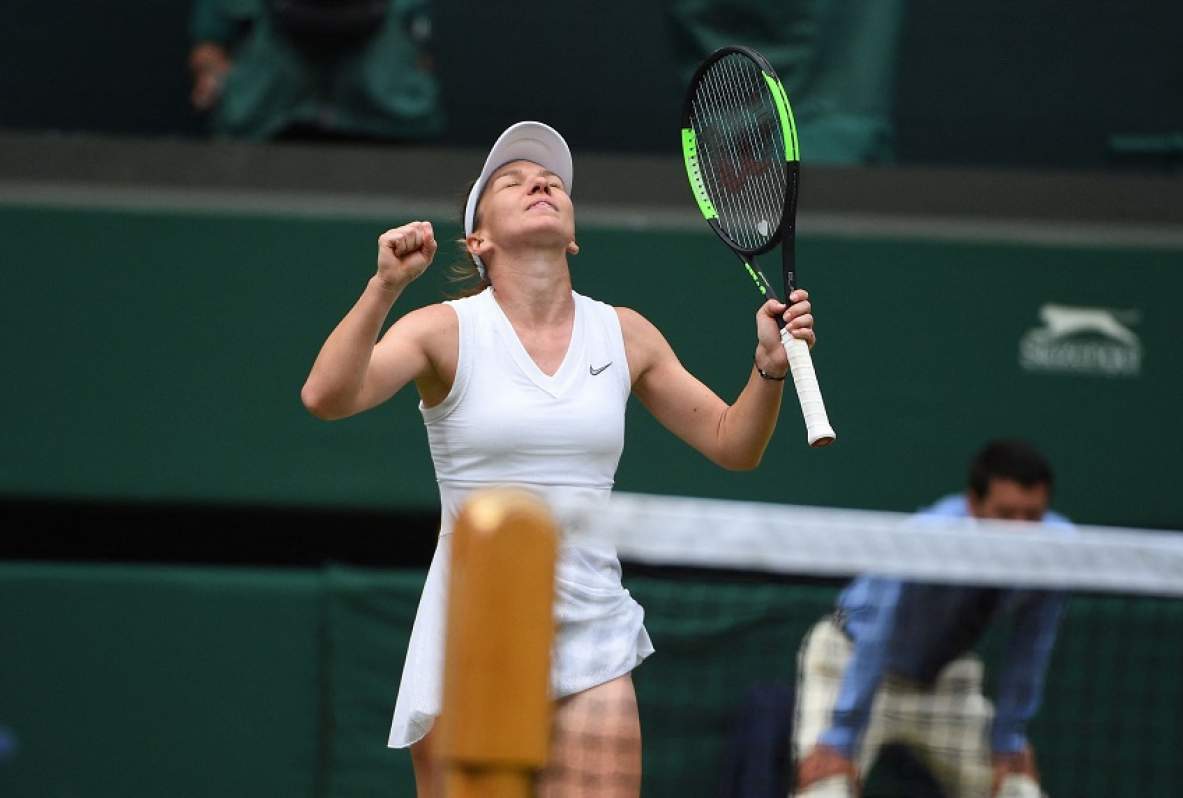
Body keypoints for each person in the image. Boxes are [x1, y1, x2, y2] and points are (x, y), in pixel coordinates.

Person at [300, 121, 818, 797]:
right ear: (477, 241)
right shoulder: (444, 330)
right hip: (471, 630)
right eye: (510, 182)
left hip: (593, 632)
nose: (539, 182)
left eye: (550, 180)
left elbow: (732, 443)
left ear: (572, 235)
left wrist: (768, 368)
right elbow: (327, 397)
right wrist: (385, 286)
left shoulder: (624, 333)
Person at [791, 440, 1070, 798]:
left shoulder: (1060, 551)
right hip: (848, 663)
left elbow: (1030, 649)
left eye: (1032, 517)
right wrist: (842, 735)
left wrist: (1009, 740)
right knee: (824, 791)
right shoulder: (928, 536)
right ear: (974, 504)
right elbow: (878, 632)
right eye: (1005, 514)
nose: (1020, 532)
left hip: (946, 681)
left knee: (1017, 791)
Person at [189, 0, 443, 141]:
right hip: (260, 140)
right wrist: (213, 76)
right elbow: (209, 48)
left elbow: (422, 55)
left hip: (388, 141)